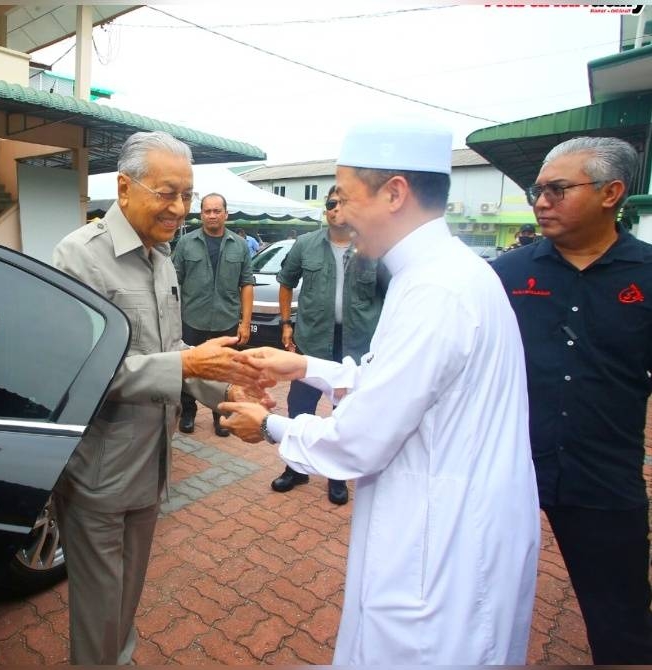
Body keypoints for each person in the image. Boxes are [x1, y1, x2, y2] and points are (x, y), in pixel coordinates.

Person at [219, 117, 540, 664]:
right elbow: (401, 383)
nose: (338, 214)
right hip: (456, 518)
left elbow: (359, 438)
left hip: (442, 544)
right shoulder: (444, 273)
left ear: (395, 193)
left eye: (343, 197)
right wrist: (303, 365)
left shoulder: (435, 290)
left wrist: (270, 425)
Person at [50, 130, 270, 665]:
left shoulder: (163, 259)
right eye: (167, 193)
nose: (179, 208)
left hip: (151, 467)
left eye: (187, 196)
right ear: (125, 188)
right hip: (98, 475)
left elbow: (169, 352)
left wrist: (223, 385)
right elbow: (77, 371)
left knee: (125, 606)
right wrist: (187, 364)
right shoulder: (80, 258)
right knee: (99, 616)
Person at [491, 136, 652, 664]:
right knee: (476, 595)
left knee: (621, 620)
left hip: (604, 478)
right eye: (539, 190)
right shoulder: (504, 277)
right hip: (506, 470)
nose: (540, 201)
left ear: (612, 193)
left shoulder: (647, 276)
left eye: (557, 189)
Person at [269, 184, 387, 503]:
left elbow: (391, 295)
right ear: (326, 208)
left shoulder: (374, 248)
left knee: (344, 413)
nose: (337, 208)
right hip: (312, 341)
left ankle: (337, 476)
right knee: (299, 407)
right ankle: (296, 469)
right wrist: (286, 324)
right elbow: (286, 282)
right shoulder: (306, 245)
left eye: (344, 203)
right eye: (332, 203)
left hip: (355, 346)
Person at [173, 193, 255, 437]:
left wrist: (246, 323)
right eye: (207, 211)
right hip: (191, 319)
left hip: (226, 320)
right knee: (188, 370)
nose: (212, 215)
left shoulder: (239, 245)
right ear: (201, 214)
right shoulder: (186, 243)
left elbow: (247, 283)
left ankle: (220, 416)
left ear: (226, 214)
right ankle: (188, 413)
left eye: (217, 210)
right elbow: (174, 283)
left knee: (223, 372)